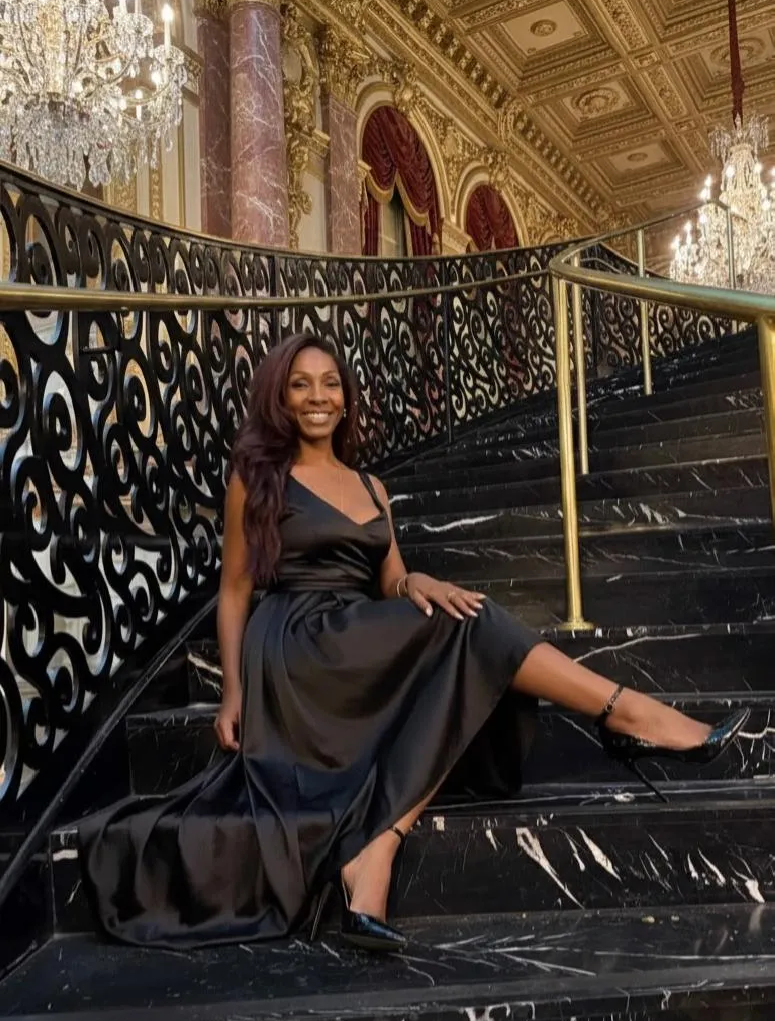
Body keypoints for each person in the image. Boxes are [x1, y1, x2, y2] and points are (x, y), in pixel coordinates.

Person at [79, 332, 749, 952]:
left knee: (467, 620)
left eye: (331, 383)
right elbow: (232, 590)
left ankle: (378, 850)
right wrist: (231, 689)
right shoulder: (257, 479)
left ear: (347, 398)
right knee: (472, 629)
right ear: (279, 397)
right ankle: (626, 713)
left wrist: (417, 577)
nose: (318, 398)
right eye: (301, 385)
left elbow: (391, 578)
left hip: (359, 634)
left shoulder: (374, 486)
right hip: (295, 643)